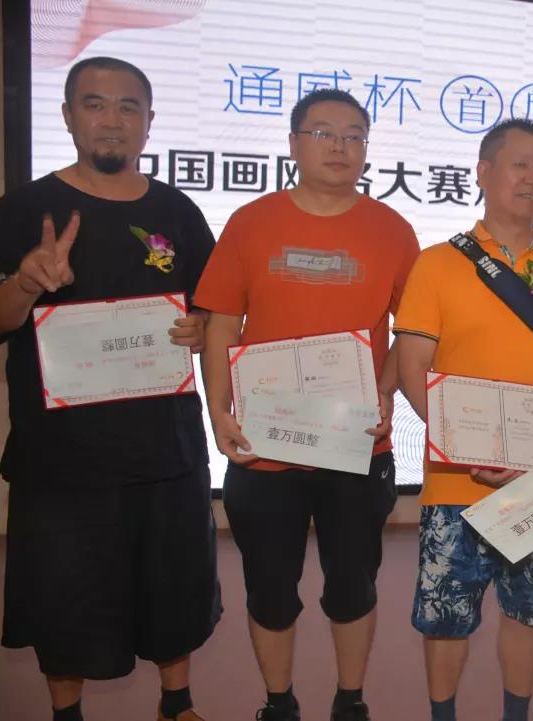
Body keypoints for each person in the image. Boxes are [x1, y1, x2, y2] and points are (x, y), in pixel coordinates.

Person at [0, 57, 220, 721]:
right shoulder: (24, 209)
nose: (112, 119)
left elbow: (211, 309)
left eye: (128, 106)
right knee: (65, 598)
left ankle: (176, 703)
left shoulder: (177, 210)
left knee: (173, 587)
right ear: (68, 117)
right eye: (95, 104)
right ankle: (67, 713)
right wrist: (27, 282)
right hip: (62, 457)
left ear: (149, 122)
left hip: (165, 447)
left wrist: (201, 325)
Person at [194, 89, 419, 721]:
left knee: (353, 586)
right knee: (270, 590)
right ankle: (279, 703)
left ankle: (350, 701)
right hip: (265, 447)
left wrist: (386, 389)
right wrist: (218, 410)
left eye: (354, 136)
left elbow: (413, 331)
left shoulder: (393, 230)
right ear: (294, 144)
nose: (340, 146)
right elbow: (221, 323)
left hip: (357, 446)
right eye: (323, 133)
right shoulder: (251, 222)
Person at [394, 118, 533, 721]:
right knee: (446, 620)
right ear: (483, 172)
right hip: (456, 480)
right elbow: (412, 367)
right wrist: (464, 445)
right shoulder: (438, 264)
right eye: (520, 164)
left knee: (526, 614)